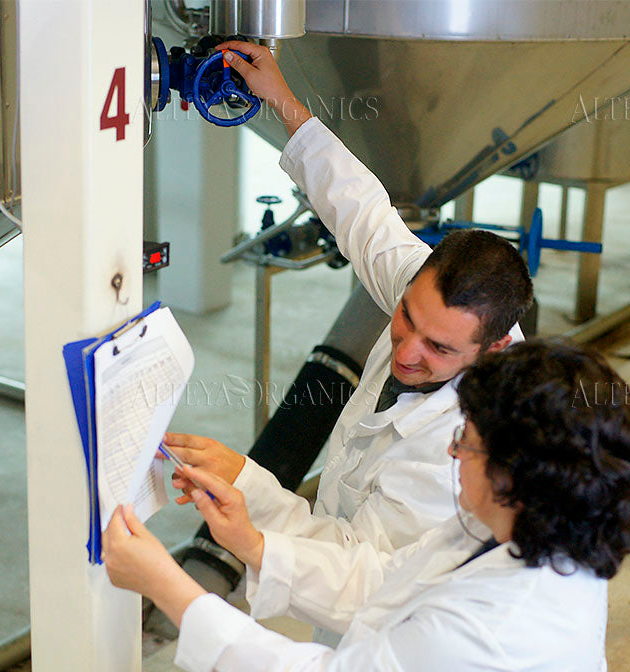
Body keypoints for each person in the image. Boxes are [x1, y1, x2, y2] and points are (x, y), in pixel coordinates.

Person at [104, 339, 630, 672]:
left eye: (468, 440)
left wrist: (166, 585)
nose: (452, 451)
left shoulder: (495, 637)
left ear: (518, 477)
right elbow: (383, 583)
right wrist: (253, 541)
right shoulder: (531, 531)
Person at [164, 40, 533, 578]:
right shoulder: (423, 288)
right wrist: (282, 99)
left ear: (494, 349)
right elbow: (362, 212)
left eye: (439, 347)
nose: (405, 352)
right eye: (405, 318)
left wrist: (247, 500)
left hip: (393, 620)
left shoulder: (460, 448)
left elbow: (355, 570)